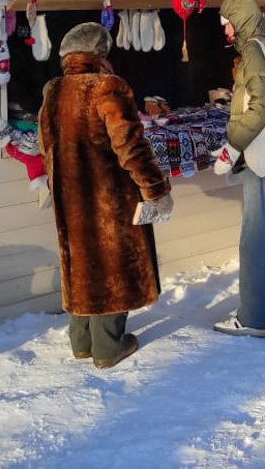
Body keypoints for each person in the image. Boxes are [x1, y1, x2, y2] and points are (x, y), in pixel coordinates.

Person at [38, 22, 173, 369]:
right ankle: (108, 347)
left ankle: (82, 342)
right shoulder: (107, 87)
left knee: (81, 263)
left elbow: (45, 146)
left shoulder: (53, 90)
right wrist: (155, 189)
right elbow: (130, 146)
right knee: (112, 266)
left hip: (69, 197)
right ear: (99, 53)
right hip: (109, 196)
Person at [210, 0, 265, 337]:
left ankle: (253, 318)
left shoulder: (252, 50)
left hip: (264, 154)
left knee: (255, 237)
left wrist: (234, 145)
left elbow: (264, 103)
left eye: (227, 23)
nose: (225, 31)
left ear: (239, 20)